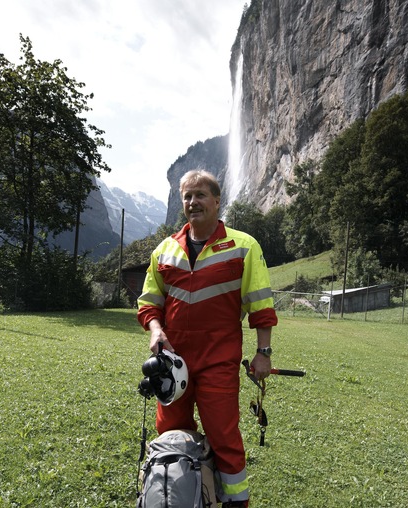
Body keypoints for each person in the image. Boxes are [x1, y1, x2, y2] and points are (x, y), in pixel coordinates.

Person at [137, 169, 278, 507]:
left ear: (217, 201)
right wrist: (156, 330)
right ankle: (178, 497)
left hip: (219, 361)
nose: (192, 202)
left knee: (224, 438)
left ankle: (234, 503)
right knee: (171, 435)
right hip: (174, 366)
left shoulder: (244, 247)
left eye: (200, 195)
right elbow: (148, 303)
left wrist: (264, 352)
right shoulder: (164, 251)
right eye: (187, 196)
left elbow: (260, 306)